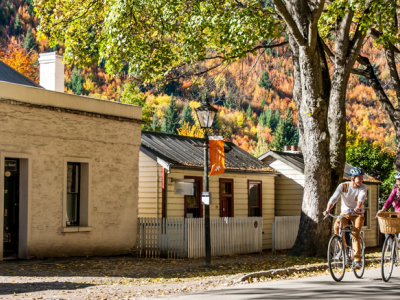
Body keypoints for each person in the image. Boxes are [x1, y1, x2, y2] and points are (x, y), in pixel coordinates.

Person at [323, 167, 367, 269]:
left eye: (361, 177)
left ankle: (357, 261)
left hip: (358, 214)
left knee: (355, 234)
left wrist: (358, 207)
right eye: (359, 178)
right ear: (352, 178)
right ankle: (344, 252)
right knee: (337, 227)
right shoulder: (343, 186)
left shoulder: (363, 187)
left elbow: (362, 197)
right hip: (345, 214)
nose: (361, 180)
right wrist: (327, 210)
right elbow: (334, 198)